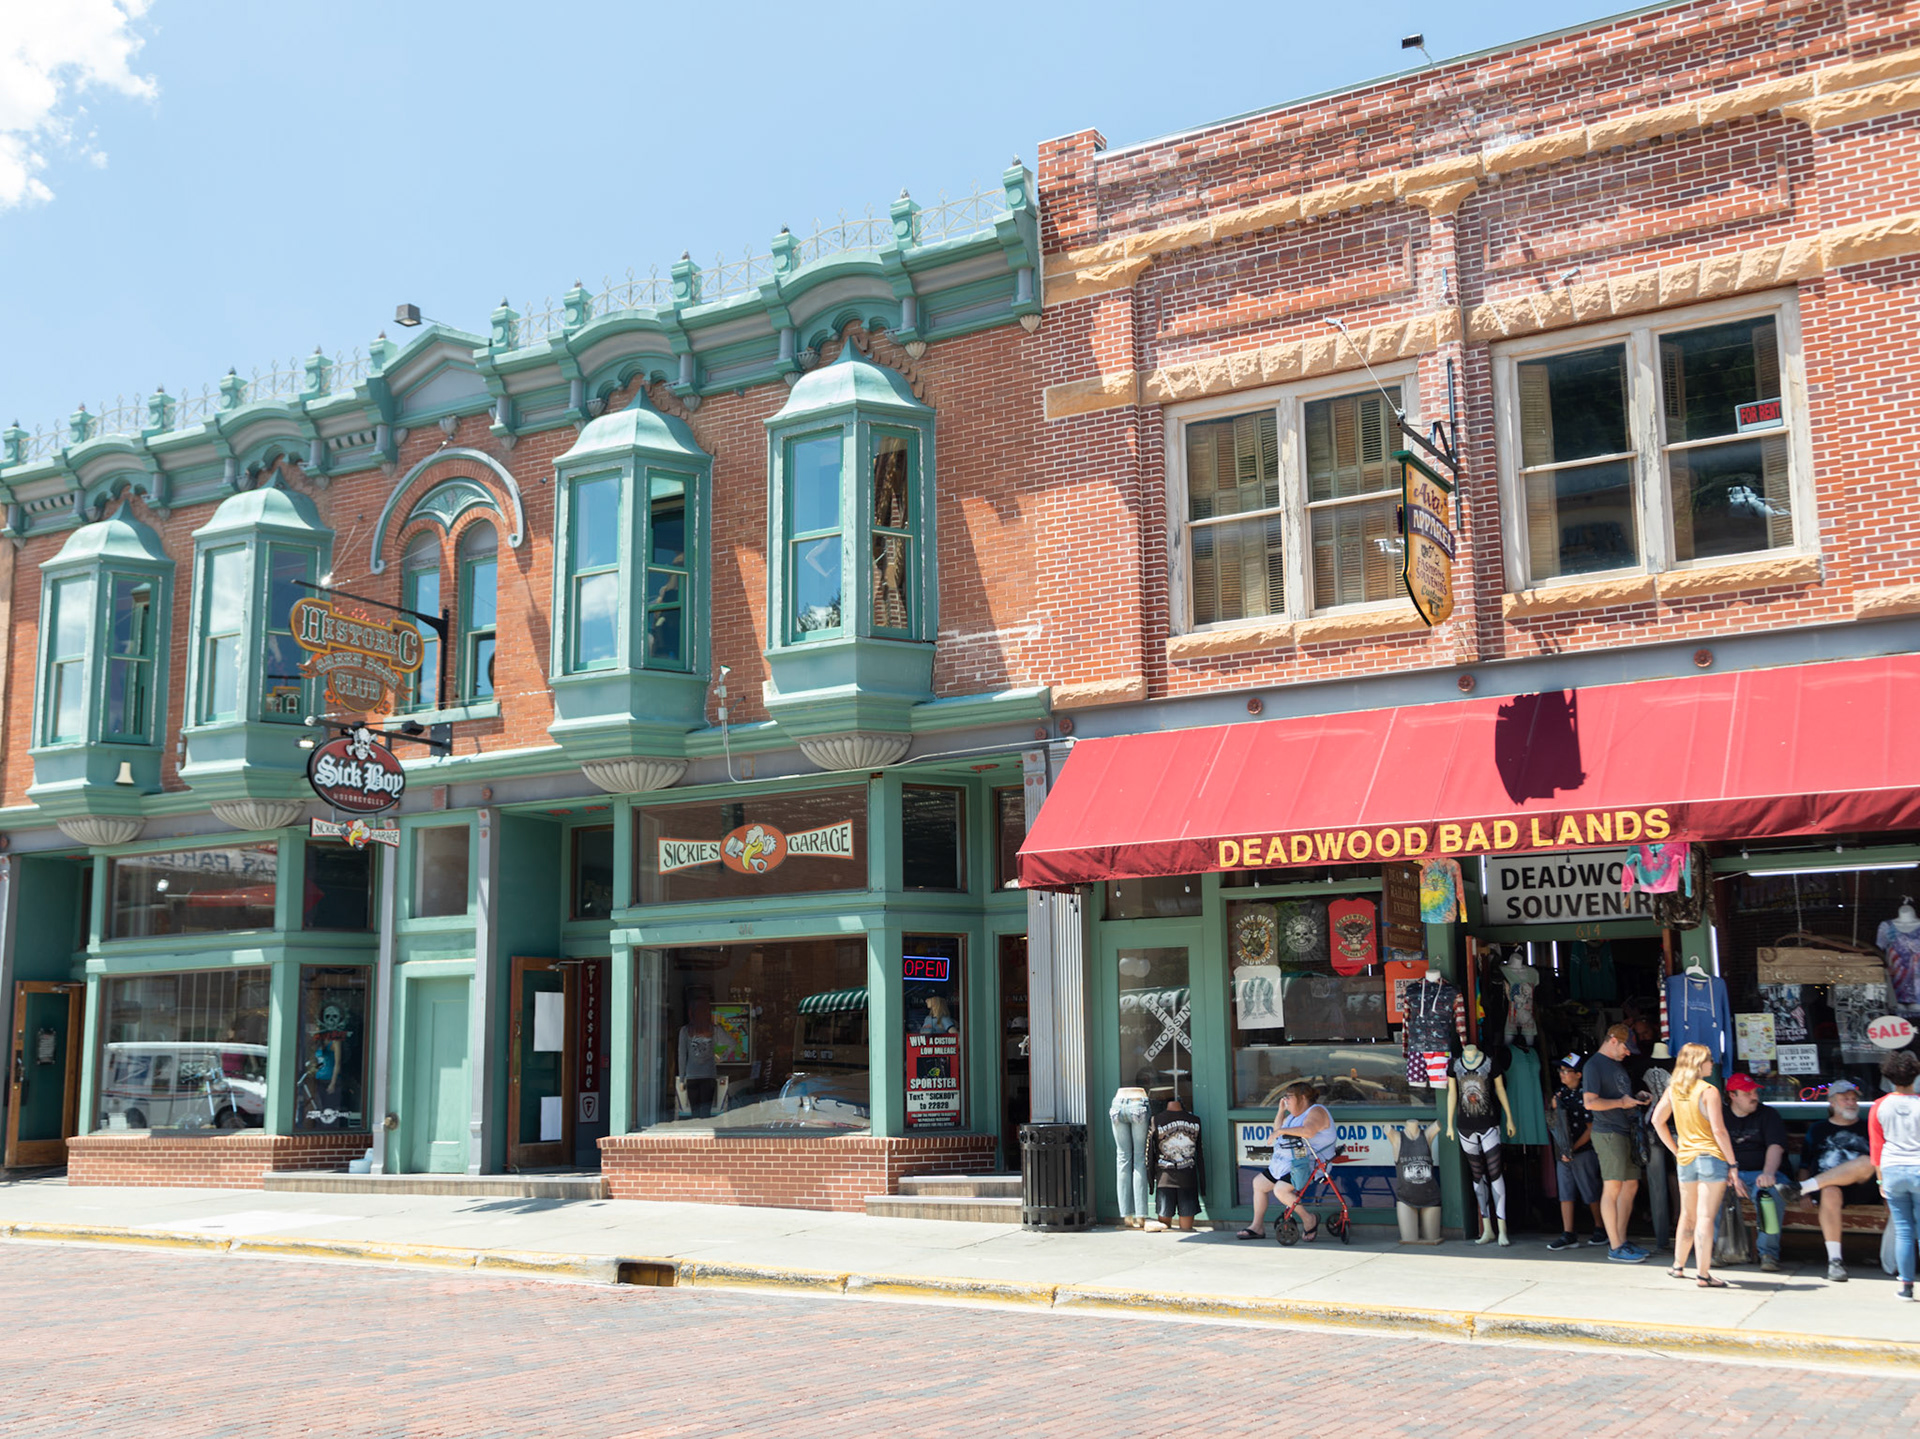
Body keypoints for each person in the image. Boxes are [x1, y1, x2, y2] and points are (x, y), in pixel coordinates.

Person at [1650, 1041, 1744, 1288]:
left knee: (1687, 1214)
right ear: (1698, 1063)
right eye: (1709, 1059)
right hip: (1711, 1157)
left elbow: (1657, 1121)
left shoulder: (1674, 1089)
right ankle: (1703, 1274)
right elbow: (1719, 1131)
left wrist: (1676, 1149)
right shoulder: (1708, 1090)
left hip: (1686, 1159)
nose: (1712, 1063)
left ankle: (1678, 1265)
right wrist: (1733, 1164)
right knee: (1705, 1216)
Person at [1796, 1079, 1878, 1281]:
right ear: (1832, 1103)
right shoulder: (1817, 1129)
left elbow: (1881, 1162)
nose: (1851, 1103)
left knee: (1867, 1161)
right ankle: (1835, 1261)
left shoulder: (1868, 1127)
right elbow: (1805, 1164)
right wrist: (1805, 1194)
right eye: (1845, 1099)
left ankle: (1801, 1187)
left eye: (1853, 1099)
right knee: (1830, 1191)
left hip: (1862, 1186)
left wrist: (1887, 1191)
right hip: (1828, 1189)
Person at [1583, 1023, 1649, 1263]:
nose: (1628, 1052)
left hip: (1624, 1130)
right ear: (1612, 1040)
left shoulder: (1616, 1065)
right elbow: (1590, 1103)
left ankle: (1621, 1240)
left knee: (1631, 1185)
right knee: (1612, 1188)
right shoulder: (1593, 1066)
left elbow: (1619, 1096)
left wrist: (1636, 1099)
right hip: (1609, 1132)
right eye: (1625, 1046)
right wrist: (1621, 1103)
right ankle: (1615, 1245)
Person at [1239, 1082, 1336, 1242]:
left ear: (1302, 1098)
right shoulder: (1293, 1116)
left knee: (1280, 1190)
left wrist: (1281, 1131)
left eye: (1288, 1097)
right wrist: (1280, 1111)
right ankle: (1257, 1227)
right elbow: (1278, 1130)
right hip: (1286, 1162)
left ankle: (1309, 1219)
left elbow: (1309, 1131)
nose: (1285, 1100)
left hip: (1308, 1164)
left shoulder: (1316, 1111)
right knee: (1258, 1184)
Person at [1724, 1073, 1793, 1273]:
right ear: (1733, 1096)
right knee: (1713, 1192)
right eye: (1747, 1093)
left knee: (1768, 1196)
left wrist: (1768, 1173)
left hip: (1764, 1174)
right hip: (1733, 1175)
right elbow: (1716, 1149)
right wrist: (1730, 1175)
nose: (1754, 1096)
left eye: (1754, 1092)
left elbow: (1775, 1146)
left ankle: (1768, 1254)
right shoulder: (1722, 1116)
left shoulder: (1768, 1114)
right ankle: (1720, 1250)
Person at [1869, 1049, 1920, 1301]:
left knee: (1903, 1230)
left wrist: (1880, 1180)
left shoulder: (1880, 1106)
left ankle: (1906, 1287)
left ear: (1889, 1077)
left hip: (1892, 1170)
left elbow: (1876, 1147)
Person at [1546, 1054, 1607, 1250]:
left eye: (1566, 1071)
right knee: (1566, 1193)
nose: (1562, 1075)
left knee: (1590, 1189)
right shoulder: (1560, 1094)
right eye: (1561, 1071)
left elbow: (1591, 1128)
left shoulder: (1585, 1096)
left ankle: (1600, 1227)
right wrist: (1554, 1107)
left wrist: (1574, 1147)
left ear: (1579, 1074)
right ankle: (1568, 1232)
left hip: (1582, 1150)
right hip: (1563, 1152)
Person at [1144, 1094, 1204, 1233]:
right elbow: (1200, 1154)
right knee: (1186, 1229)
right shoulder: (1195, 1120)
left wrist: (1151, 1182)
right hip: (1188, 1178)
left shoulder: (1156, 1120)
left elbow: (1149, 1153)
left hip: (1164, 1179)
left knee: (1164, 1229)